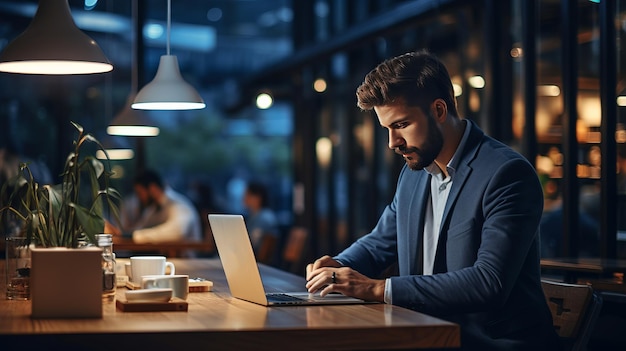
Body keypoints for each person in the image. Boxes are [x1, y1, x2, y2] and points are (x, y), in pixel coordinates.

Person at [305, 51, 560, 350]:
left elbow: (489, 282)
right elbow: (379, 243)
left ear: (439, 110)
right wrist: (337, 267)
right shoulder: (414, 174)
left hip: (495, 343)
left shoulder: (507, 173)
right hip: (426, 333)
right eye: (386, 129)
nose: (392, 143)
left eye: (400, 125)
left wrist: (378, 289)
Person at [116, 169, 202, 248]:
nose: (139, 198)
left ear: (152, 188)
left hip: (188, 260)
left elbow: (176, 232)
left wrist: (133, 236)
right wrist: (120, 234)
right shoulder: (153, 208)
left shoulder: (179, 205)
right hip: (167, 257)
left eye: (140, 193)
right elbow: (140, 228)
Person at [242, 181, 279, 259]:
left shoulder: (264, 218)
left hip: (257, 261)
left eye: (247, 194)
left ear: (258, 198)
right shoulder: (257, 215)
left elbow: (253, 244)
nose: (244, 198)